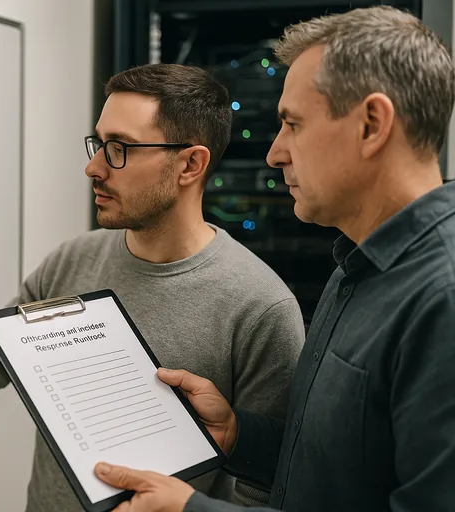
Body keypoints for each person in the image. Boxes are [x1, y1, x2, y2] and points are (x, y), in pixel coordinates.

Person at [0, 64, 305, 511]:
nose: (93, 168)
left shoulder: (260, 308)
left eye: (119, 149)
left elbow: (268, 490)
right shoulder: (75, 260)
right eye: (97, 145)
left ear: (190, 165)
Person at [93, 5, 455, 511]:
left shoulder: (443, 296)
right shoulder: (357, 266)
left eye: (292, 124)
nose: (274, 153)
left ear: (372, 124)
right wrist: (240, 435)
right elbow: (337, 472)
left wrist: (192, 510)